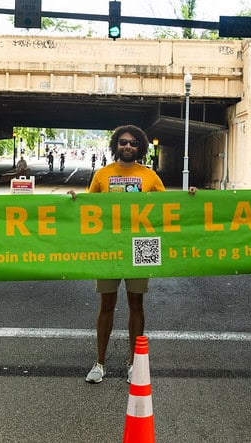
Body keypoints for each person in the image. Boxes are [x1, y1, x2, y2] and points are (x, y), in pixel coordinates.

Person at [68, 125, 196, 384]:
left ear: (141, 148)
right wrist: (74, 199)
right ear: (115, 145)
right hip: (109, 245)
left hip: (142, 244)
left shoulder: (149, 176)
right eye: (123, 142)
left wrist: (189, 196)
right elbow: (89, 207)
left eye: (134, 143)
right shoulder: (103, 175)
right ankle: (100, 362)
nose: (128, 146)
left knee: (137, 305)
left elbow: (168, 206)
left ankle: (133, 364)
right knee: (106, 305)